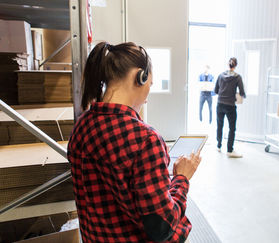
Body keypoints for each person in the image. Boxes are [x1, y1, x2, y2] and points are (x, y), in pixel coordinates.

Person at [67, 42, 201, 243]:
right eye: (150, 80)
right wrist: (182, 178)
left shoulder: (81, 126)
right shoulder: (145, 139)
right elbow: (162, 227)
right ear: (141, 76)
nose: (151, 86)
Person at [214, 57, 246, 158]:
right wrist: (242, 96)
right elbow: (242, 92)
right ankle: (229, 150)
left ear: (228, 65)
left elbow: (215, 90)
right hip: (230, 106)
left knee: (220, 125)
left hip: (220, 104)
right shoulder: (237, 77)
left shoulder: (220, 75)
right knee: (232, 128)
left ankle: (218, 146)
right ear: (235, 66)